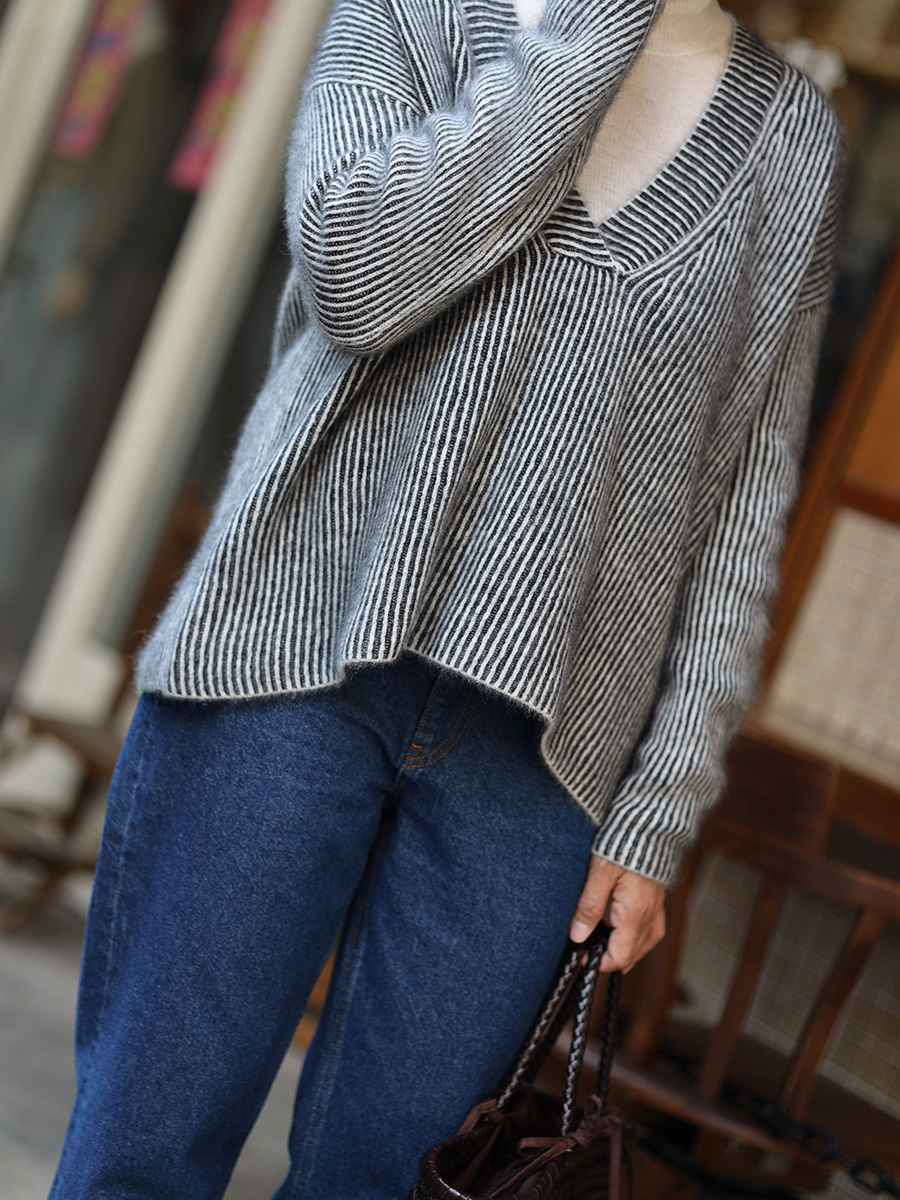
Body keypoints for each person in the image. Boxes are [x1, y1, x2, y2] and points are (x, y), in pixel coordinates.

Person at [49, 0, 843, 1195]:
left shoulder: (789, 139)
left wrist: (658, 810)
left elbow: (741, 503)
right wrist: (591, 32)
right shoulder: (410, 14)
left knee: (388, 1184)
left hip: (544, 765)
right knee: (140, 1158)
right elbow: (355, 278)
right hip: (289, 658)